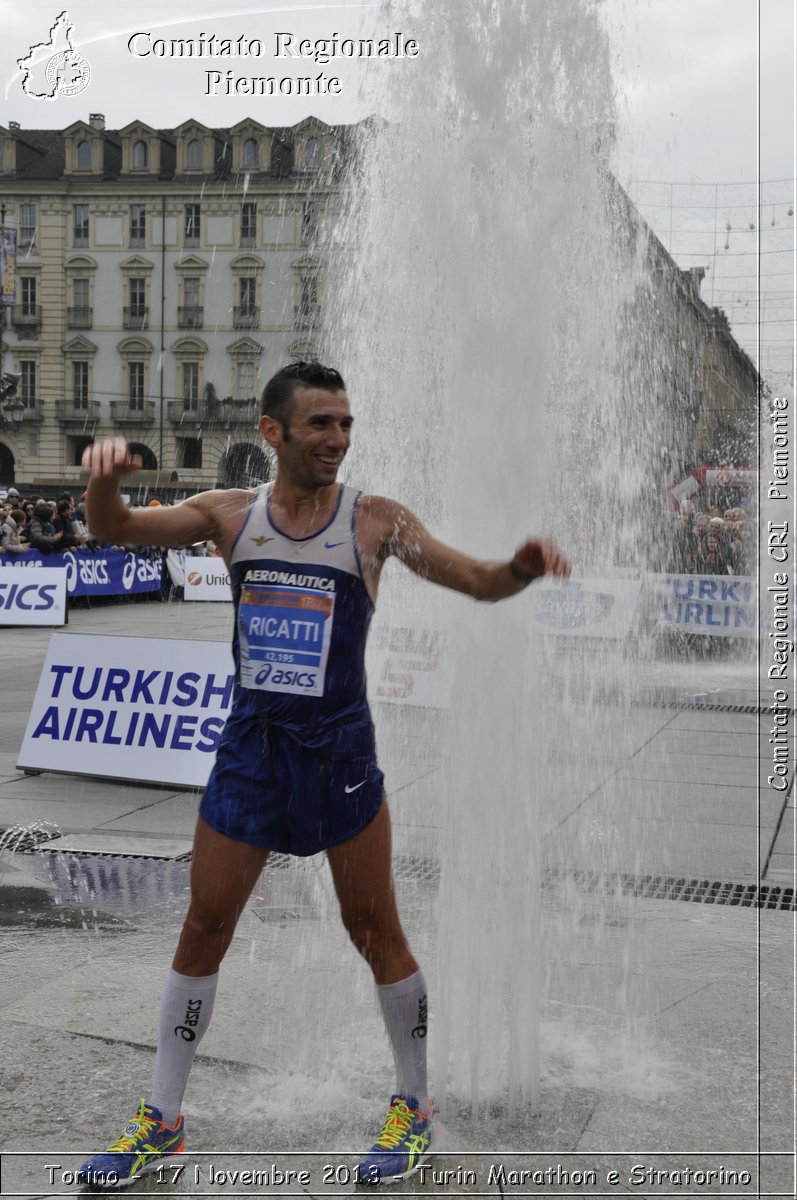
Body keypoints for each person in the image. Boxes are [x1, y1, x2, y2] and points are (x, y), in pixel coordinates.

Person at [76, 361, 570, 1189]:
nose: (338, 440)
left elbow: (480, 585)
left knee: (374, 930)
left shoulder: (374, 522)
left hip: (339, 758)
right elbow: (117, 530)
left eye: (344, 423)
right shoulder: (228, 517)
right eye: (320, 425)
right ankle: (161, 1121)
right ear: (271, 432)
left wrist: (518, 568)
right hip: (251, 756)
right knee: (203, 929)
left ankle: (413, 1108)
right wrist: (102, 483)